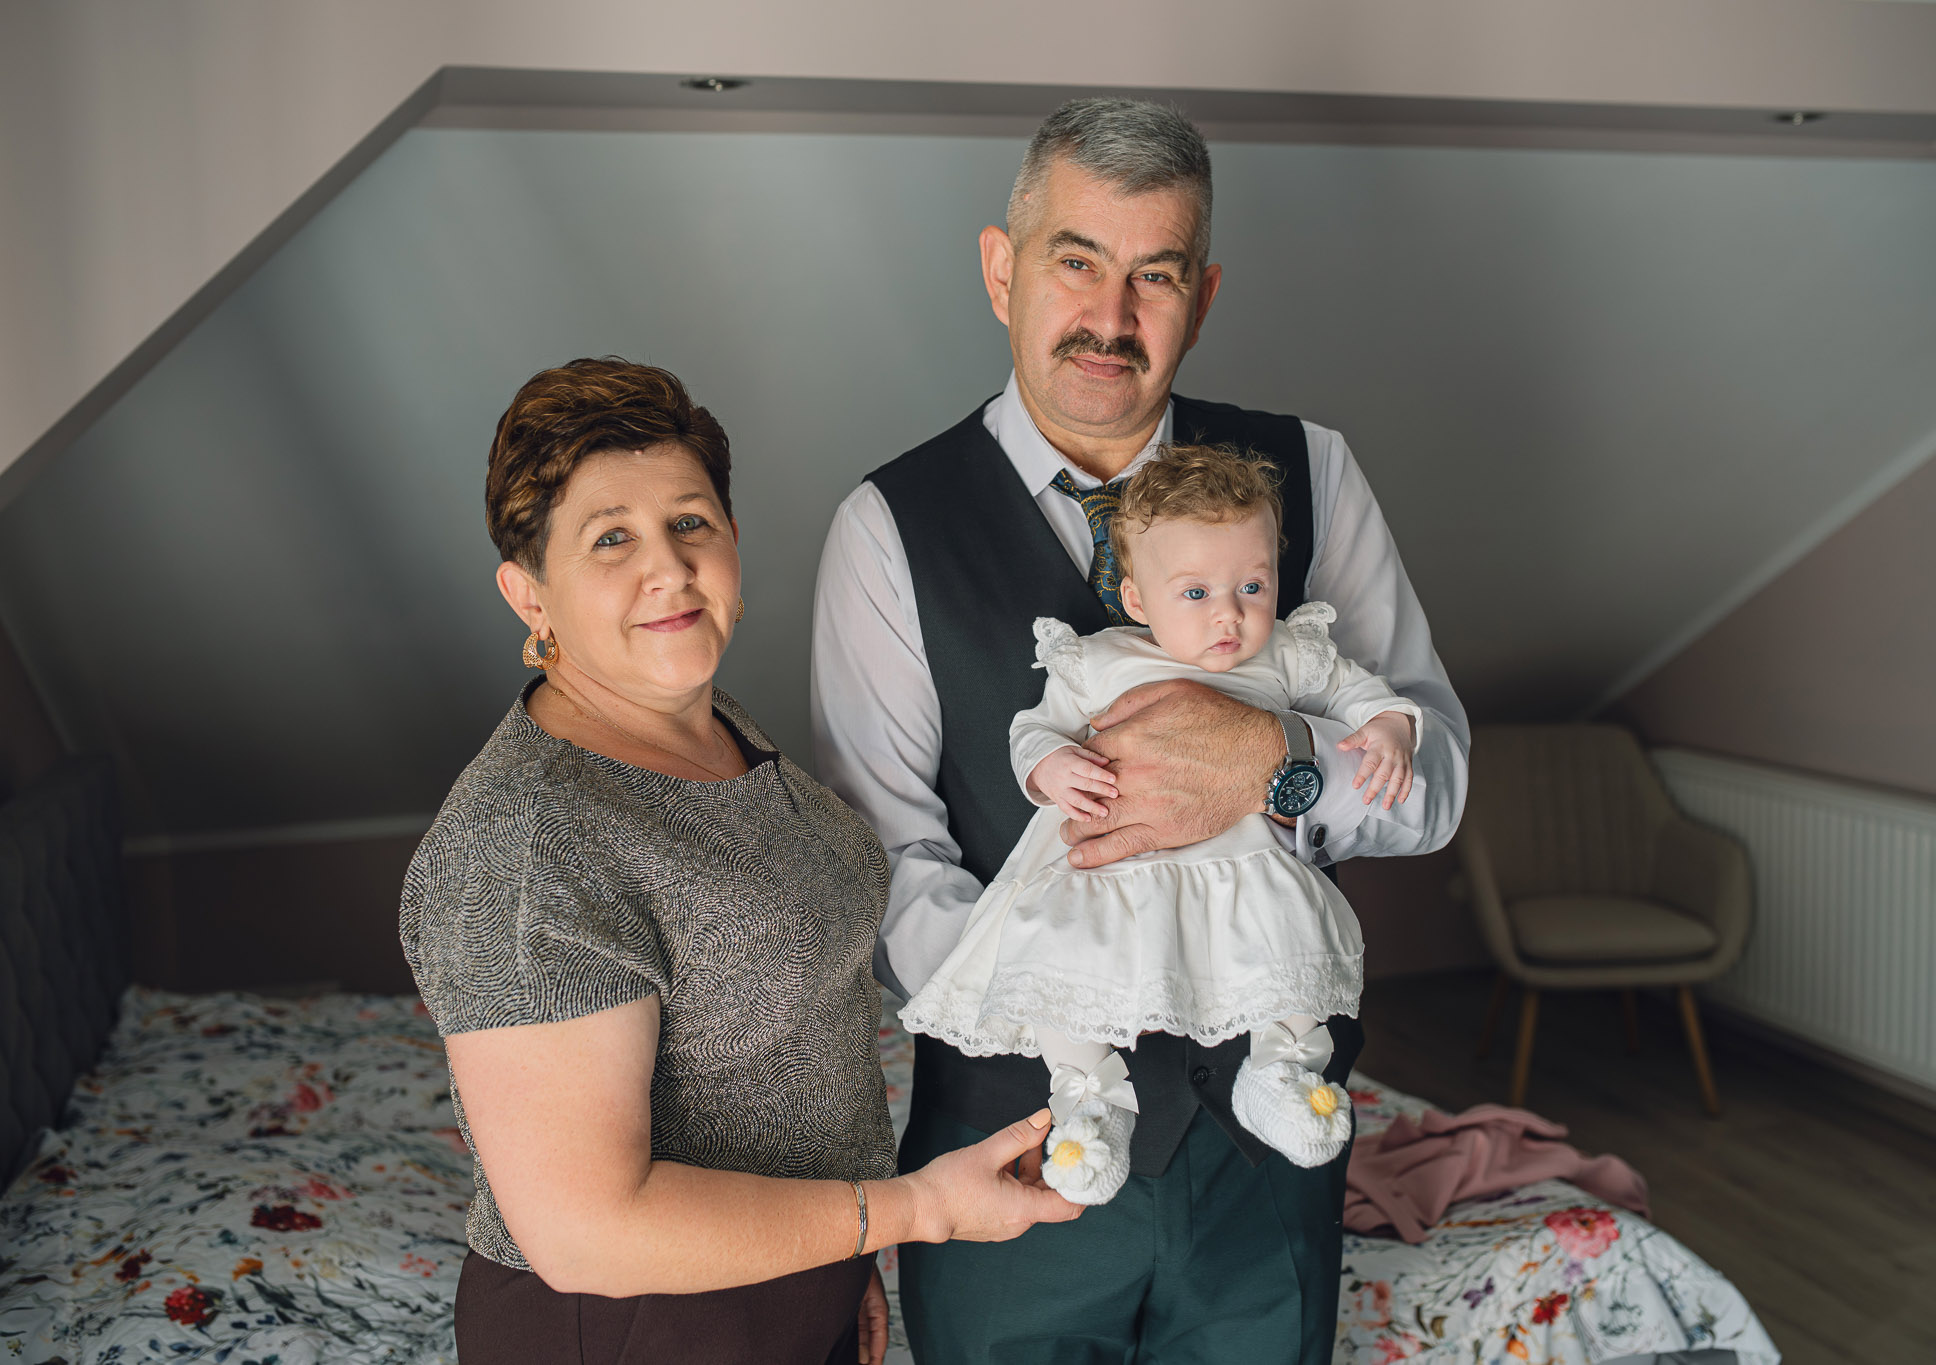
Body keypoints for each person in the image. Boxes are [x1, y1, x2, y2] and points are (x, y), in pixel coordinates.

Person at [812, 99, 1469, 1361]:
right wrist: (1057, 995)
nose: (1110, 317)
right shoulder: (888, 526)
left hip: (1263, 1148)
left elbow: (1429, 777)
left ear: (1201, 297)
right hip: (1020, 1144)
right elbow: (883, 862)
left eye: (1154, 275)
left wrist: (1279, 768)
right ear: (1000, 269)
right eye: (1075, 261)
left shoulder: (1311, 471)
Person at [399, 357, 1079, 1365]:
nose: (670, 569)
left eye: (691, 521)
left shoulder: (708, 723)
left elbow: (779, 1044)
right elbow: (586, 1231)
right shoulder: (527, 846)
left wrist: (838, 1259)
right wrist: (909, 1210)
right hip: (633, 1328)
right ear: (528, 593)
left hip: (781, 1280)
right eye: (611, 538)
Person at [897, 444, 1424, 1205]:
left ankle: (1281, 1067)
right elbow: (1033, 730)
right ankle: (1090, 1096)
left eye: (1252, 586)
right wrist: (1051, 766)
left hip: (1243, 860)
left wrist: (1390, 726)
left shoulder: (1286, 653)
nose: (1230, 614)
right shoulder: (1099, 661)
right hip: (1114, 873)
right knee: (1060, 964)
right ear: (1139, 600)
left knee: (1290, 939)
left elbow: (1362, 691)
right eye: (1197, 592)